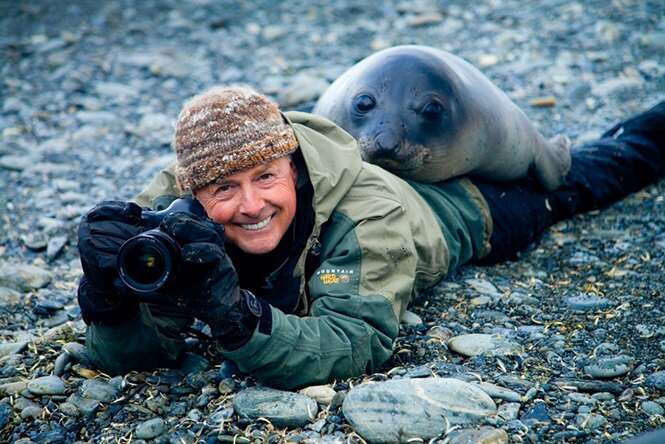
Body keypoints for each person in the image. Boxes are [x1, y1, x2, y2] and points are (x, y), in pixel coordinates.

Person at [77, 86, 665, 389]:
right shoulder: (169, 211)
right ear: (191, 189)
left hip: (467, 208)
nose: (251, 206)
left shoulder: (366, 215)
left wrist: (234, 316)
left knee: (589, 173)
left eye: (266, 178)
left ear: (294, 170)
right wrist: (109, 298)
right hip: (383, 154)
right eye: (225, 189)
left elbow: (355, 341)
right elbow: (137, 356)